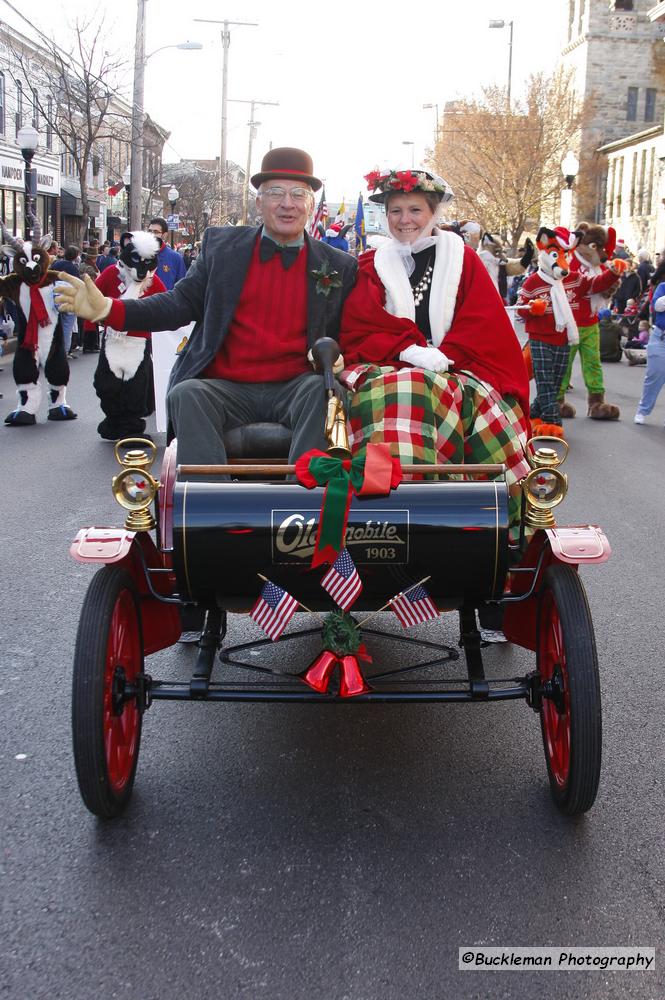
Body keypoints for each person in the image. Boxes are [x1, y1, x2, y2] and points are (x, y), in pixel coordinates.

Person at [54, 147, 358, 468]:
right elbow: (178, 303)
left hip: (297, 386)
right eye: (275, 193)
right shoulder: (222, 249)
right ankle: (210, 509)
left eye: (299, 194)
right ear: (258, 202)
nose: (287, 203)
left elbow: (353, 334)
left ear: (311, 205)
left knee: (324, 393)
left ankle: (299, 507)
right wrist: (109, 310)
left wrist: (340, 357)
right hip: (227, 387)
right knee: (187, 394)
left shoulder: (339, 265)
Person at [339, 165, 531, 642]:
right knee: (401, 390)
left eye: (415, 211)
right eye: (397, 211)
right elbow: (359, 325)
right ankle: (395, 512)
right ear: (386, 214)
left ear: (433, 213)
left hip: (458, 367)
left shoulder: (463, 261)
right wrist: (407, 348)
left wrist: (443, 358)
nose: (405, 219)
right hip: (388, 365)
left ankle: (496, 546)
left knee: (486, 413)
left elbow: (485, 324)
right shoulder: (369, 265)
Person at [634, 277, 665, 423]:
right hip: (661, 338)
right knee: (654, 376)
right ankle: (643, 410)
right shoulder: (663, 287)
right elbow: (657, 306)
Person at [51, 246, 82, 358]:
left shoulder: (56, 264)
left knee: (54, 327)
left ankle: (51, 350)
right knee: (67, 327)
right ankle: (63, 352)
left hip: (54, 297)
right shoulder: (74, 269)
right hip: (69, 299)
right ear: (75, 256)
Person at [146, 217, 187, 289]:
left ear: (164, 235)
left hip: (165, 299)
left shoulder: (176, 258)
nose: (151, 235)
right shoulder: (141, 255)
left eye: (155, 232)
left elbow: (182, 288)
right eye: (149, 231)